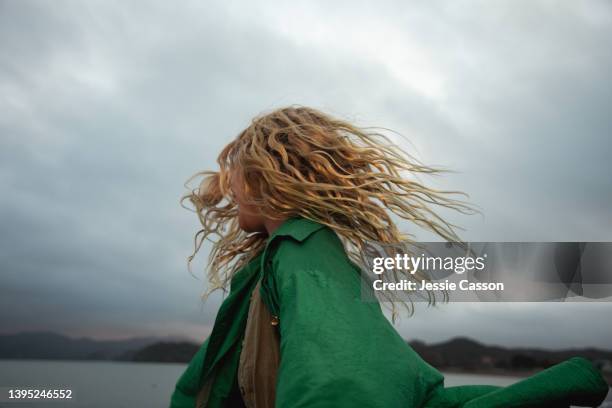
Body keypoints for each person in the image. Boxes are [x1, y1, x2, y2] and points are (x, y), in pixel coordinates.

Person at [170, 106, 609, 407]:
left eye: (239, 176)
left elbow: (340, 380)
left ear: (268, 179)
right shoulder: (273, 264)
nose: (229, 189)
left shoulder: (304, 255)